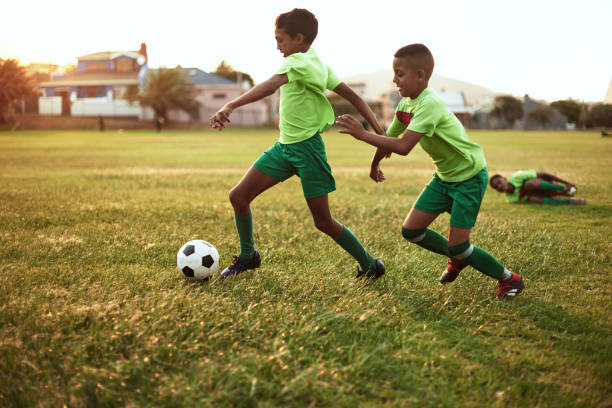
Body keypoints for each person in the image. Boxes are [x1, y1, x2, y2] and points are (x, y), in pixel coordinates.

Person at [209, 8, 386, 280]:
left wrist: (230, 104)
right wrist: (379, 132)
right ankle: (248, 257)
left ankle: (371, 265)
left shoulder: (298, 62)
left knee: (323, 222)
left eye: (281, 39)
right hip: (284, 149)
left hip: (308, 151)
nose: (277, 46)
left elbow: (270, 85)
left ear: (300, 38)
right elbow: (356, 98)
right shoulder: (317, 62)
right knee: (239, 196)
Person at [335, 44, 524, 298]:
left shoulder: (430, 104)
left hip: (468, 177)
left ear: (421, 76)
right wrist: (374, 164)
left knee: (460, 246)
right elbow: (389, 138)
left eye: (400, 74)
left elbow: (403, 146)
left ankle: (509, 278)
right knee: (411, 231)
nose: (394, 80)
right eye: (394, 73)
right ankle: (457, 258)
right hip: (444, 177)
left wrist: (362, 135)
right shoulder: (405, 104)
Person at [489, 171, 585, 204]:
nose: (499, 186)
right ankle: (568, 201)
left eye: (499, 182)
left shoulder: (518, 176)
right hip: (545, 194)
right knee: (532, 198)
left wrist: (566, 183)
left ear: (505, 179)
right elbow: (532, 197)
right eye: (496, 187)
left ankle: (564, 188)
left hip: (549, 183)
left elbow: (543, 174)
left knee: (529, 184)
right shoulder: (511, 199)